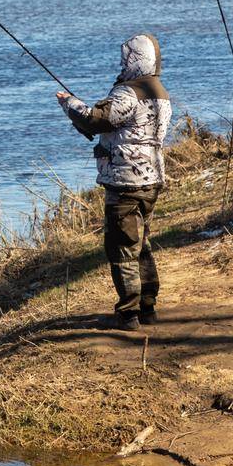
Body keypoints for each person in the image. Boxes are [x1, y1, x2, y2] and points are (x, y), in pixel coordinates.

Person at [56, 34, 172, 331]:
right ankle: (148, 306)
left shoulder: (128, 92)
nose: (122, 63)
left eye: (126, 58)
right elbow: (116, 124)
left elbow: (97, 120)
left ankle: (128, 314)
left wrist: (69, 104)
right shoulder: (159, 91)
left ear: (135, 59)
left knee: (122, 248)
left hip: (126, 181)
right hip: (151, 179)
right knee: (140, 243)